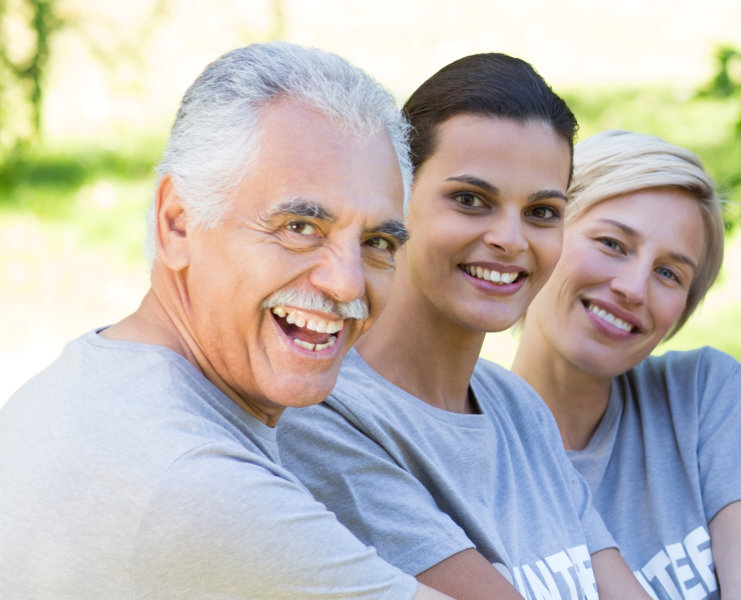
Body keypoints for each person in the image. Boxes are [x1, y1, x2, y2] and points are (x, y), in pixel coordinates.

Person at [0, 42, 449, 599]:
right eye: (299, 227)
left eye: (377, 242)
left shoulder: (84, 384)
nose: (347, 283)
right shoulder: (200, 485)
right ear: (179, 224)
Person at [276, 54, 647, 600]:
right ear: (394, 199)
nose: (511, 239)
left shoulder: (518, 409)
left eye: (542, 211)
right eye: (471, 200)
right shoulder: (322, 416)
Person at [513, 130, 741, 599]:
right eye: (612, 243)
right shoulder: (463, 449)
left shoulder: (699, 395)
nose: (633, 288)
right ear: (546, 231)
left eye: (669, 273)